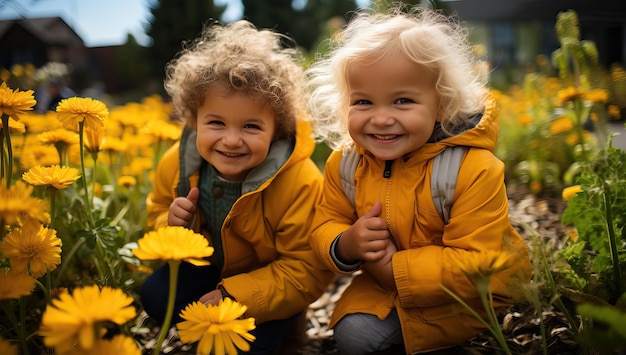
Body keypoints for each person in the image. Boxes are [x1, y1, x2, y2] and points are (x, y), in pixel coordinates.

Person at [306, 5, 531, 354]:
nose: (380, 119)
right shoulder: (346, 164)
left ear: (441, 105)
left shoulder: (472, 169)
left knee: (358, 336)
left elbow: (477, 262)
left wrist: (392, 268)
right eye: (363, 101)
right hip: (386, 283)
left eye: (402, 101)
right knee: (348, 330)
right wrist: (345, 244)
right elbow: (325, 219)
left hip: (472, 292)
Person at [142, 20, 334, 354]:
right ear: (193, 118)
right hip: (207, 275)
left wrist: (237, 297)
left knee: (246, 346)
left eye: (250, 126)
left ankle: (289, 323)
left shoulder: (300, 181)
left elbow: (306, 267)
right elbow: (156, 211)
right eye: (216, 123)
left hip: (266, 286)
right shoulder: (178, 163)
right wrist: (169, 225)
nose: (231, 140)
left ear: (277, 129)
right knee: (156, 296)